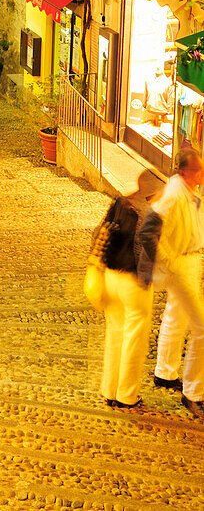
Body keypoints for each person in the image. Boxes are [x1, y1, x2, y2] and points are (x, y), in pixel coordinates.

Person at [140, 148, 204, 418]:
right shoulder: (176, 193)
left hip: (188, 261)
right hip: (181, 264)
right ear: (185, 172)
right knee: (201, 328)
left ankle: (165, 373)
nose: (202, 173)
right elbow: (148, 230)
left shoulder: (188, 191)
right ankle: (194, 393)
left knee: (175, 317)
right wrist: (168, 261)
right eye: (198, 169)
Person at [96, 169, 162, 409]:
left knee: (115, 335)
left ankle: (110, 390)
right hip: (133, 283)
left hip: (112, 276)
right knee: (134, 339)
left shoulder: (120, 203)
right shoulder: (150, 214)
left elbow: (100, 232)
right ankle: (126, 395)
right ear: (152, 193)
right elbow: (149, 251)